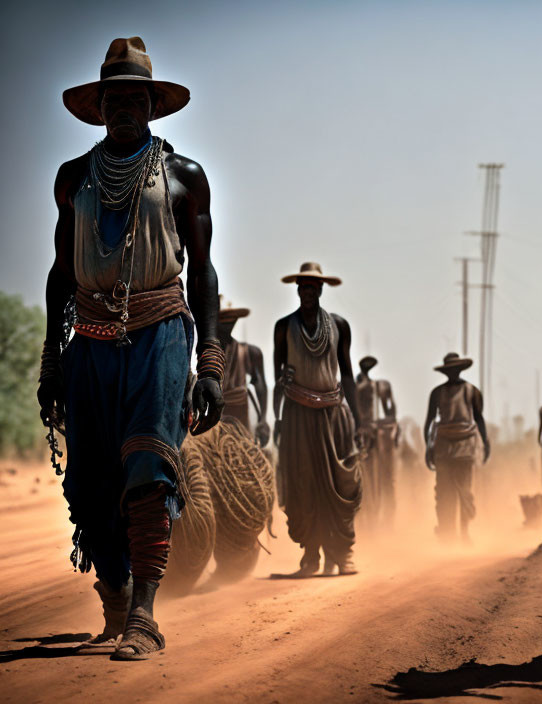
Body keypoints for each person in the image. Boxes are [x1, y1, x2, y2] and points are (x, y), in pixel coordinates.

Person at [37, 37, 223, 660]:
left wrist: (211, 365)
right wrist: (50, 360)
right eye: (112, 98)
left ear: (151, 104)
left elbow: (202, 272)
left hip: (161, 334)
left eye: (134, 97)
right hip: (88, 341)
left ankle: (145, 614)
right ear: (99, 106)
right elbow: (61, 272)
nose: (123, 107)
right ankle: (114, 591)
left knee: (148, 468)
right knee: (90, 480)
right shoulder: (73, 179)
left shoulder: (182, 178)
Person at [272, 262, 361, 577]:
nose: (307, 292)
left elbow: (348, 375)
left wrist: (358, 420)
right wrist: (278, 417)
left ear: (321, 290)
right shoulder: (284, 327)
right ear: (297, 290)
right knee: (303, 483)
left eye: (313, 287)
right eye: (302, 287)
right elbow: (278, 375)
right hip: (296, 414)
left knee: (339, 482)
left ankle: (342, 554)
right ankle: (311, 557)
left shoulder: (339, 325)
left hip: (333, 413)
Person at [424, 353, 490, 542]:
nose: (453, 373)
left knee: (464, 491)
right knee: (444, 492)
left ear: (460, 370)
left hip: (465, 447)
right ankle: (447, 532)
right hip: (443, 446)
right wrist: (428, 447)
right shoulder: (437, 393)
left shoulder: (472, 391)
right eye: (450, 370)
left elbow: (479, 418)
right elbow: (429, 421)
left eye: (455, 370)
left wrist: (485, 442)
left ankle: (464, 532)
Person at [356, 355, 400, 529]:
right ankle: (368, 520)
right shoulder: (356, 388)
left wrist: (385, 426)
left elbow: (390, 413)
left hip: (377, 438)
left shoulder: (381, 386)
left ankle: (385, 520)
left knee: (385, 479)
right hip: (362, 438)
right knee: (364, 480)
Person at [218, 299, 269, 445]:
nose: (227, 325)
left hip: (241, 413)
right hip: (215, 415)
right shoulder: (206, 353)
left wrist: (263, 420)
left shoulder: (249, 352)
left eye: (230, 321)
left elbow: (260, 384)